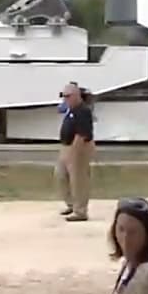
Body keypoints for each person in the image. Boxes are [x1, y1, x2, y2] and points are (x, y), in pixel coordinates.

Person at [57, 82, 95, 222]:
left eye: (68, 96)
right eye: (64, 96)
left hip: (79, 146)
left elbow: (82, 134)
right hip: (66, 146)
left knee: (78, 179)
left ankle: (80, 211)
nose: (65, 99)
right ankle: (71, 204)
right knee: (61, 175)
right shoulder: (71, 110)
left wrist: (75, 152)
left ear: (76, 95)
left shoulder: (82, 111)